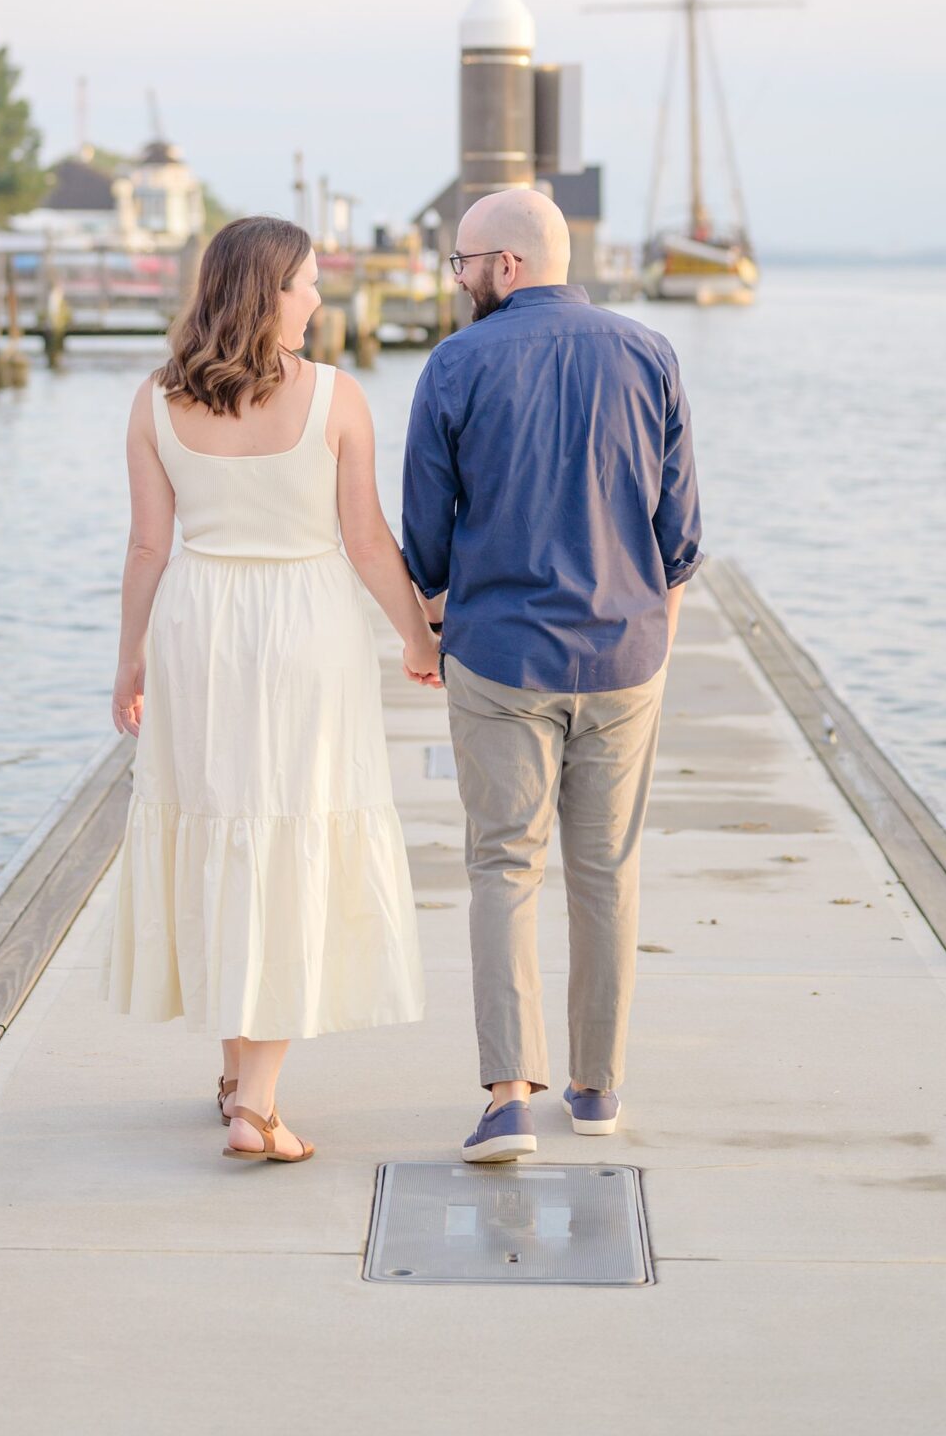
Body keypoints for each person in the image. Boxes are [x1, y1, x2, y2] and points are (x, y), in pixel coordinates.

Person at [104, 216, 441, 1164]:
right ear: (264, 293)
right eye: (304, 284)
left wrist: (128, 658)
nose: (318, 299)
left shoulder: (155, 402)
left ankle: (231, 1078)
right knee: (290, 831)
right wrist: (415, 634)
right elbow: (368, 541)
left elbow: (145, 548)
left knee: (220, 823)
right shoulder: (336, 398)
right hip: (304, 628)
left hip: (195, 624)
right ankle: (256, 1105)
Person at [403, 186, 701, 1164]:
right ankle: (597, 1086)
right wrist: (649, 629)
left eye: (462, 263)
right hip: (624, 657)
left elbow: (424, 536)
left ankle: (505, 1101)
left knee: (502, 864)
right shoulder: (649, 355)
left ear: (508, 265)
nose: (457, 281)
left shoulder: (454, 364)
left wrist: (439, 612)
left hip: (499, 656)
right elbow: (679, 533)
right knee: (606, 870)